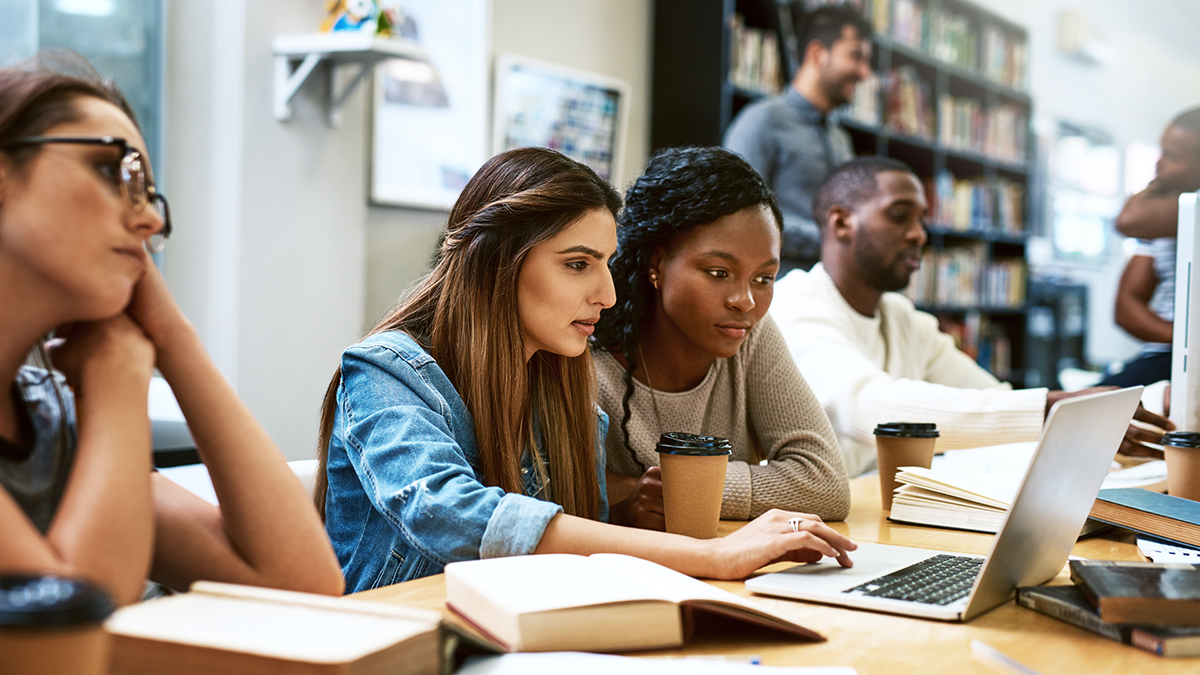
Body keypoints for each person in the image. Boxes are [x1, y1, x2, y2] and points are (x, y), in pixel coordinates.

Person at [315, 147, 856, 592]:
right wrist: (709, 555)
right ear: (496, 262)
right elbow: (454, 517)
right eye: (578, 264)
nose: (607, 293)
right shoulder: (386, 373)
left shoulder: (558, 377)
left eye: (605, 262)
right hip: (394, 642)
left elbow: (580, 536)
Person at [0, 54, 344, 605]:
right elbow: (65, 644)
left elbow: (300, 582)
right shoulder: (97, 396)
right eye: (113, 170)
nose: (150, 221)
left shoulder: (49, 424)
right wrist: (118, 377)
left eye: (149, 193)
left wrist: (171, 335)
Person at [772, 157, 1173, 476]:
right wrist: (1054, 409)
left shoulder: (901, 318)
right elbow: (874, 411)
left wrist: (1158, 398)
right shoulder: (795, 305)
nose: (919, 235)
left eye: (922, 219)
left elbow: (995, 402)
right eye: (899, 215)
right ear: (842, 223)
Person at [590, 147, 849, 530]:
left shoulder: (750, 336)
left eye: (764, 278)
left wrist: (678, 490)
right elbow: (558, 492)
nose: (744, 301)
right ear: (656, 263)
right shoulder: (585, 352)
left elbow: (826, 485)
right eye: (717, 272)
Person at [723, 4, 873, 274]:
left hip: (834, 289)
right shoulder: (761, 121)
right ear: (817, 54)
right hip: (779, 295)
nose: (864, 72)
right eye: (855, 56)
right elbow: (737, 214)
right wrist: (831, 240)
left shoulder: (841, 139)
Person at [1102, 107, 1200, 387]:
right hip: (1169, 354)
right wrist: (1184, 339)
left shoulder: (1188, 207)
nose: (1159, 163)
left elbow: (1127, 219)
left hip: (1180, 359)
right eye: (1161, 151)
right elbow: (1126, 306)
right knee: (1084, 405)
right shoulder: (1160, 218)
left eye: (1172, 156)